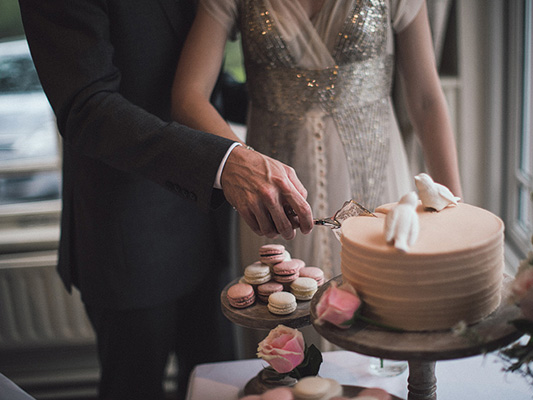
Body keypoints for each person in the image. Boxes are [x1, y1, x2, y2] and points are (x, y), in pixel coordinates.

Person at [18, 1, 313, 400]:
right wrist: (225, 161)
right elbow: (87, 106)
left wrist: (302, 99)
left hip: (208, 226)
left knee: (218, 384)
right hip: (128, 232)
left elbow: (201, 79)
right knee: (134, 387)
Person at [172, 0, 462, 285]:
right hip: (273, 200)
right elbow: (188, 96)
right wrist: (244, 165)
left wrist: (458, 216)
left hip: (378, 187)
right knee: (282, 319)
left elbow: (426, 101)